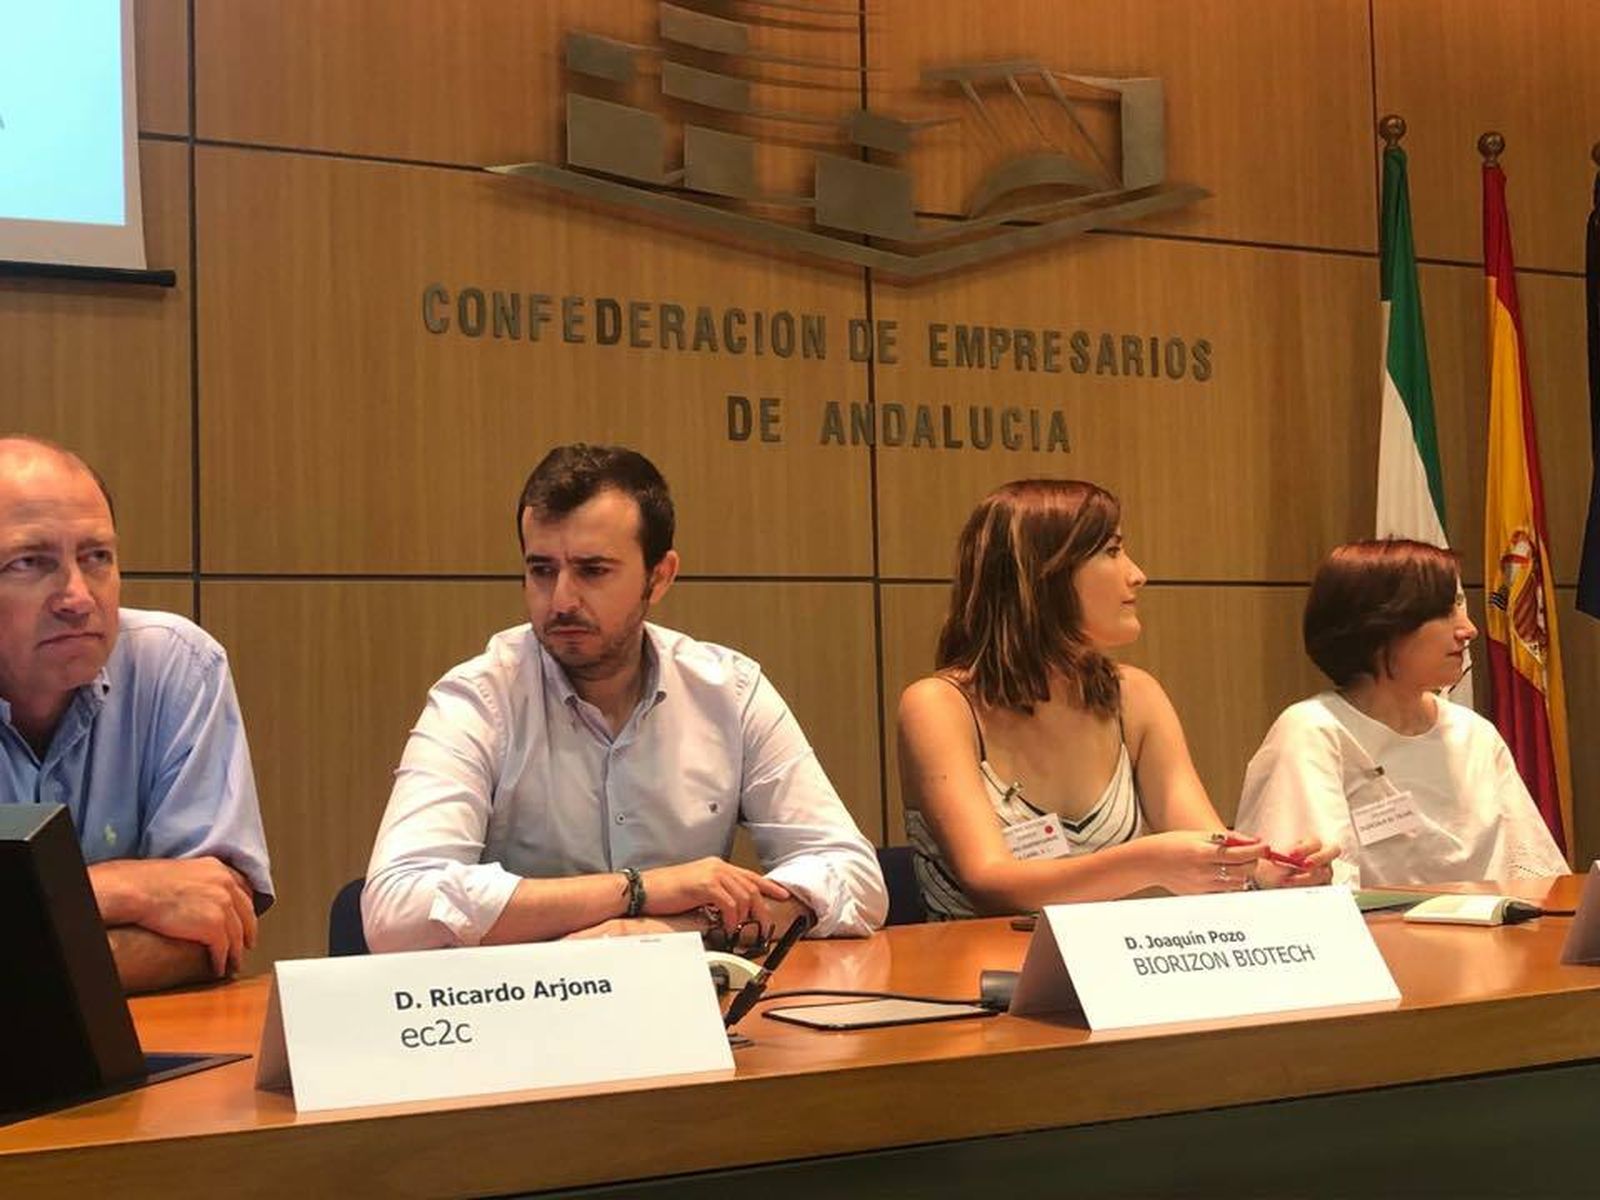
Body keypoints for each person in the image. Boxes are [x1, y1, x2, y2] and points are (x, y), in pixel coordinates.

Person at [363, 444, 886, 951]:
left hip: (693, 1011)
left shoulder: (730, 691)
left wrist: (678, 928)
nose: (561, 600)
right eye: (541, 570)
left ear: (660, 577)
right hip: (522, 1014)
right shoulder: (479, 699)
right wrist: (642, 890)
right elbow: (396, 908)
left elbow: (852, 874)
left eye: (592, 571)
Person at [898, 479, 1334, 919]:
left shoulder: (1135, 695)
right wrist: (1147, 862)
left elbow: (1204, 840)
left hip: (1112, 970)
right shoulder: (939, 705)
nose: (1137, 574)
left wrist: (1261, 870)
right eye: (1112, 551)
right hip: (973, 977)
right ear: (1042, 573)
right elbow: (990, 881)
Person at [0, 436, 272, 992]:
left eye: (97, 557)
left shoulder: (175, 664)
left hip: (144, 1051)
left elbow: (215, 931)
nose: (77, 596)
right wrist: (119, 889)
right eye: (31, 563)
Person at [1235, 538, 1567, 887]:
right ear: (1381, 625)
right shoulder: (1314, 731)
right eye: (1445, 612)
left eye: (1461, 606)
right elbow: (1307, 894)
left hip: (1491, 937)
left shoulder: (1474, 734)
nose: (1468, 630)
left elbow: (1538, 877)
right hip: (1371, 940)